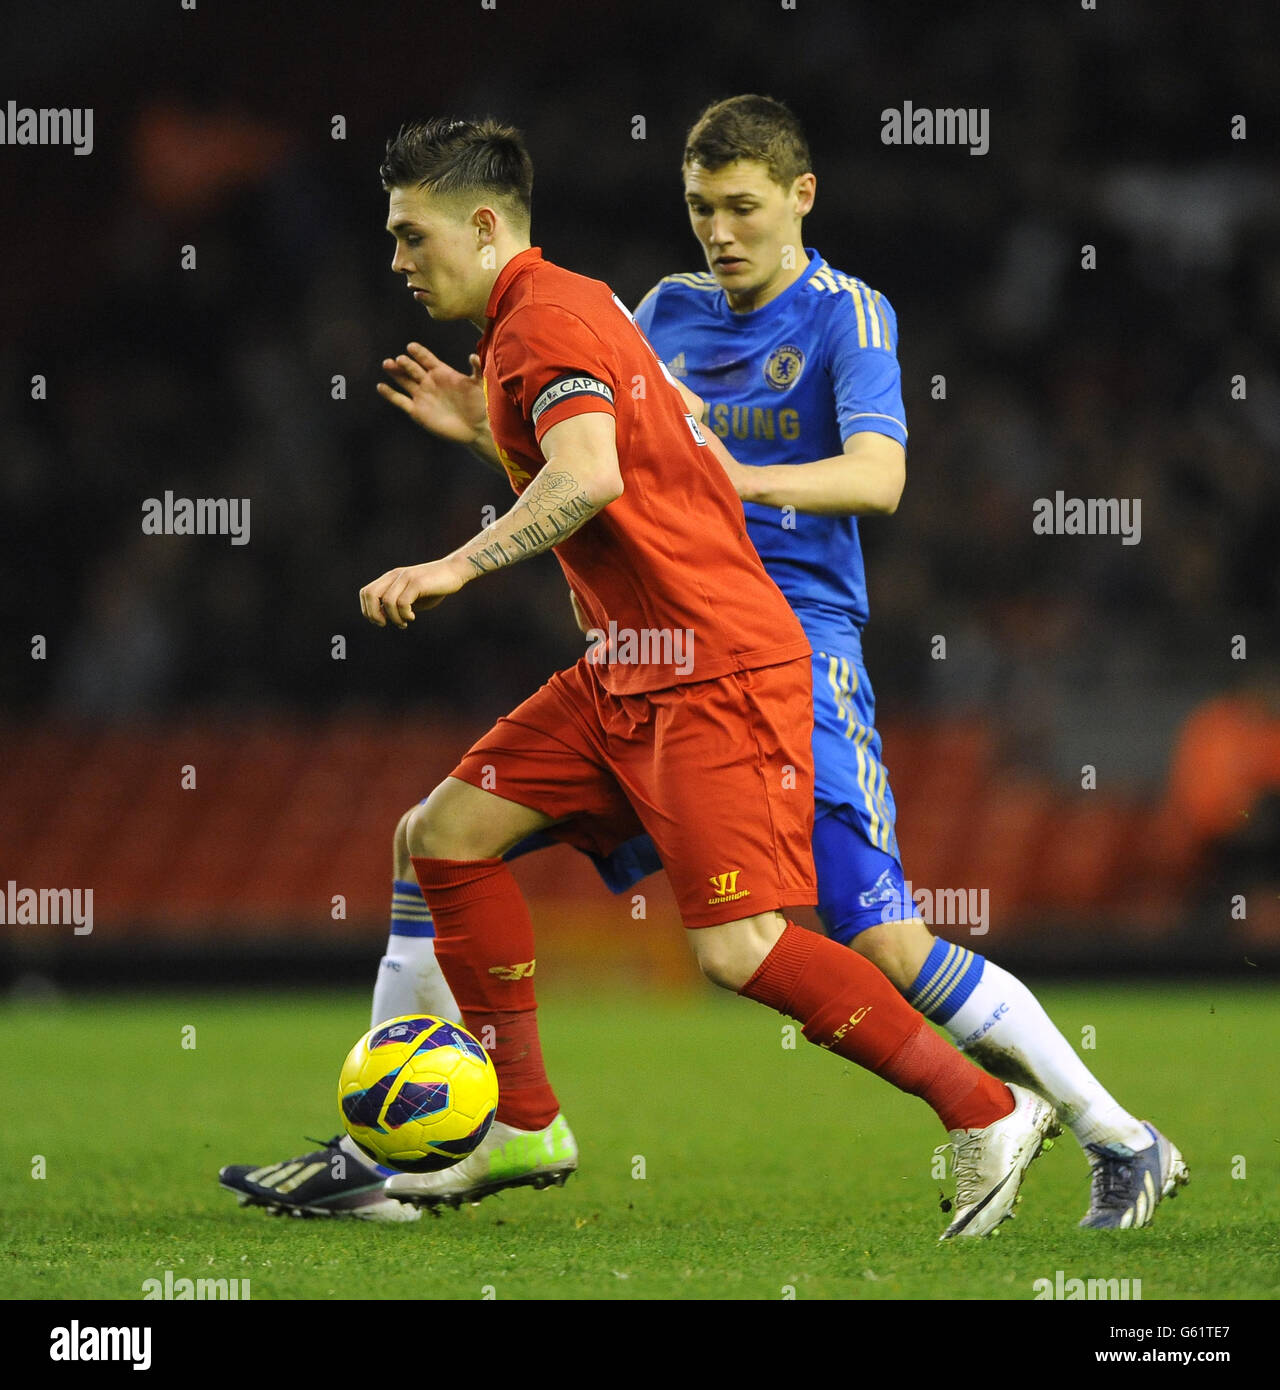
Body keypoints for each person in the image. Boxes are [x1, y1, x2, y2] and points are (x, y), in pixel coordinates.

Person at [222, 114, 1058, 1238]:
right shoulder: (565, 309)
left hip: (712, 667)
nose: (396, 262)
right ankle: (518, 1122)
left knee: (738, 947)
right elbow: (647, 470)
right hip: (627, 667)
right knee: (441, 836)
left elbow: (590, 476)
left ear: (480, 226)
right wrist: (487, 436)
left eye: (410, 236)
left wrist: (455, 562)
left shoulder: (545, 326)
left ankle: (985, 1107)